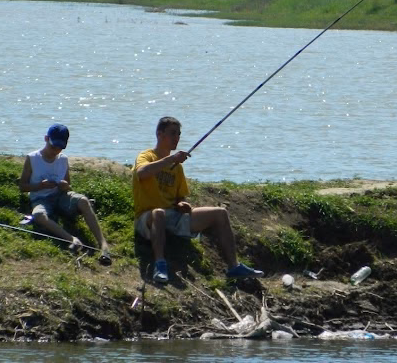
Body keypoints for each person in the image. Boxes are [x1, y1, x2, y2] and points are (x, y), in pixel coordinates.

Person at [133, 116, 263, 284]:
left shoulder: (177, 168)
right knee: (158, 213)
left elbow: (179, 197)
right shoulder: (147, 156)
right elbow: (142, 173)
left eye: (179, 134)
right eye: (172, 133)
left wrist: (181, 204)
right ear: (159, 134)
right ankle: (160, 265)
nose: (177, 138)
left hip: (173, 216)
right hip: (147, 217)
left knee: (220, 213)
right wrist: (170, 159)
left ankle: (233, 267)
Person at [19, 123, 111, 265]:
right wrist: (40, 186)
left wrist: (65, 186)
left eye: (60, 147)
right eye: (53, 146)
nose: (55, 151)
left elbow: (68, 185)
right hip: (40, 198)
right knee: (38, 215)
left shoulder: (63, 159)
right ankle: (71, 239)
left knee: (84, 201)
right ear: (46, 139)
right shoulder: (32, 158)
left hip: (60, 196)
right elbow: (23, 186)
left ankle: (103, 245)